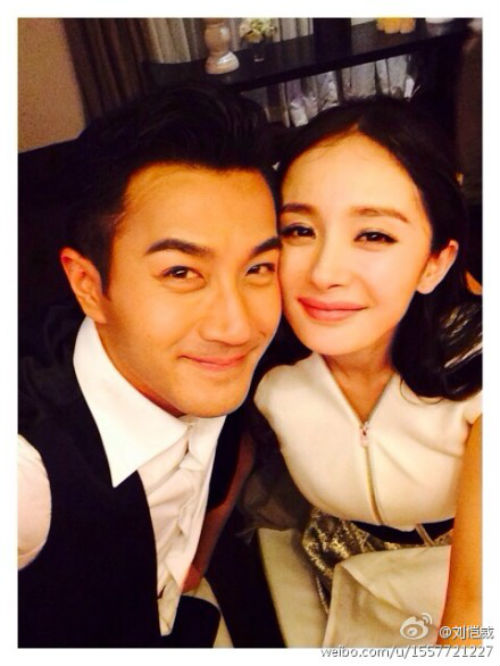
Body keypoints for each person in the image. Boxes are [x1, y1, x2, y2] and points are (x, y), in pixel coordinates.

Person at [17, 83, 283, 648]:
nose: (237, 327)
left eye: (258, 268)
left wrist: (194, 561)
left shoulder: (229, 359)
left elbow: (235, 444)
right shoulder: (24, 473)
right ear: (88, 285)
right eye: (181, 273)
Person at [247, 97, 482, 646]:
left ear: (435, 263)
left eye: (374, 235)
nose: (324, 272)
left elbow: (471, 610)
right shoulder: (260, 363)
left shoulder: (479, 372)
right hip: (342, 562)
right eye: (298, 230)